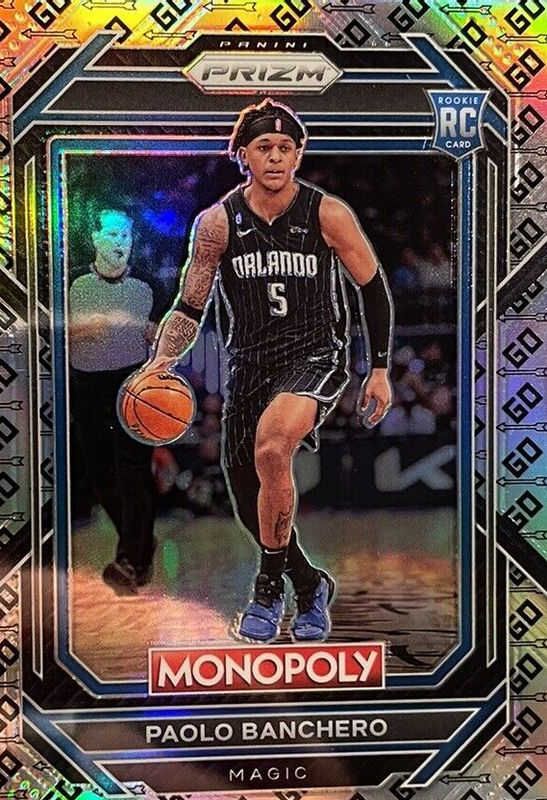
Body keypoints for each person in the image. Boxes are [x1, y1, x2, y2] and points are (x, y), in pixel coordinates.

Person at [144, 99, 393, 641]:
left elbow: (372, 286)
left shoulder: (328, 214)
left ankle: (266, 590)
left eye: (285, 147)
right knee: (245, 495)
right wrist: (162, 360)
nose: (276, 157)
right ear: (244, 156)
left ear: (298, 154)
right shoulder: (217, 222)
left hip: (315, 356)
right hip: (250, 364)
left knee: (273, 447)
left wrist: (378, 368)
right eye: (264, 147)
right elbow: (190, 305)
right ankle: (309, 583)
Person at [68, 208, 159, 595]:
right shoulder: (72, 283)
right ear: (95, 238)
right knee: (100, 475)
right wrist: (82, 329)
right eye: (113, 234)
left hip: (134, 387)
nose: (121, 242)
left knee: (133, 471)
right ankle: (141, 543)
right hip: (88, 387)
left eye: (126, 235)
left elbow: (165, 334)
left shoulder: (148, 286)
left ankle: (130, 561)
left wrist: (158, 337)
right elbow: (53, 332)